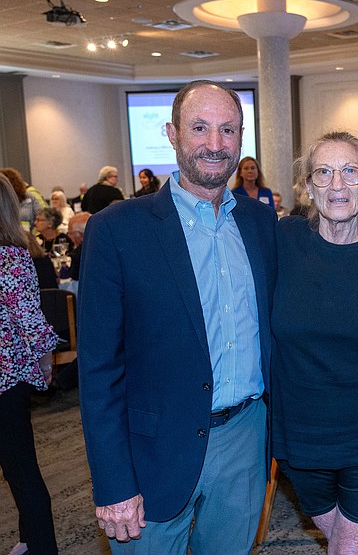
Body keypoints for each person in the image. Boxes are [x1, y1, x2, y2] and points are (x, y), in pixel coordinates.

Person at [77, 80, 277, 554]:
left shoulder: (259, 223)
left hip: (244, 442)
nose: (215, 144)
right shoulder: (118, 229)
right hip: (151, 452)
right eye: (200, 128)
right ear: (172, 133)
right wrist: (112, 481)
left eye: (228, 130)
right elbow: (98, 368)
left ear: (241, 138)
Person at [271, 131, 358, 555]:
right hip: (300, 434)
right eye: (324, 173)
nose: (337, 185)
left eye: (350, 172)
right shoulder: (283, 240)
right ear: (308, 187)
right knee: (344, 544)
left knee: (349, 549)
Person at [0, 172, 60, 555]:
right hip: (9, 381)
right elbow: (29, 318)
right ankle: (34, 543)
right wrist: (46, 363)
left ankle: (36, 545)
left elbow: (28, 319)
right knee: (19, 469)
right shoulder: (13, 257)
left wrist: (44, 359)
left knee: (19, 469)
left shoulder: (11, 258)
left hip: (7, 381)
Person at [66, 212, 91, 282]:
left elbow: (74, 278)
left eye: (70, 233)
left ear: (82, 235)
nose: (69, 236)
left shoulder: (78, 255)